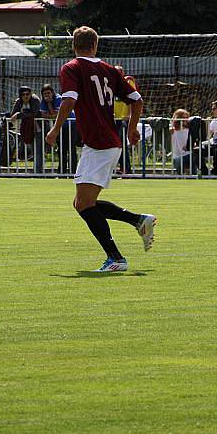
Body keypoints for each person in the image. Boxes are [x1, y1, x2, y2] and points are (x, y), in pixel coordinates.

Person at [45, 25, 156, 272]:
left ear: (74, 45)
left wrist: (55, 129)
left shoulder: (72, 68)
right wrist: (132, 128)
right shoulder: (109, 69)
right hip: (105, 142)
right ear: (95, 45)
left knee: (84, 204)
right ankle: (138, 221)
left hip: (99, 144)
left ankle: (117, 258)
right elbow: (136, 100)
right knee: (82, 203)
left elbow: (70, 99)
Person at [39, 83, 79, 174]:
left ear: (52, 93)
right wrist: (51, 112)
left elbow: (57, 115)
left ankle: (73, 172)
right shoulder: (44, 101)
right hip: (59, 127)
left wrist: (50, 109)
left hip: (71, 124)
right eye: (45, 94)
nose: (47, 95)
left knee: (71, 148)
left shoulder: (59, 99)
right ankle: (62, 172)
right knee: (61, 149)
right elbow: (43, 114)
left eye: (48, 93)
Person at [10, 86, 44, 173]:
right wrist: (18, 113)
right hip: (26, 129)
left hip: (38, 128)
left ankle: (38, 172)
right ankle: (37, 170)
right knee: (33, 150)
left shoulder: (35, 99)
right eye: (23, 94)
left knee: (38, 151)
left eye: (28, 94)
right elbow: (13, 114)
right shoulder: (19, 102)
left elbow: (34, 113)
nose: (26, 96)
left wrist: (19, 114)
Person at [113, 65, 138, 173]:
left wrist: (129, 115)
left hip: (123, 119)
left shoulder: (128, 82)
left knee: (121, 144)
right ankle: (120, 167)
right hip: (113, 119)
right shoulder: (111, 84)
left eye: (119, 72)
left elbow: (133, 100)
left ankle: (126, 169)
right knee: (115, 145)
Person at [170, 108, 193, 174]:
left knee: (193, 156)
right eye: (183, 117)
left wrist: (189, 146)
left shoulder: (189, 130)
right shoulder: (172, 129)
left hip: (188, 154)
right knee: (177, 161)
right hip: (177, 156)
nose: (185, 119)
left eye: (186, 117)